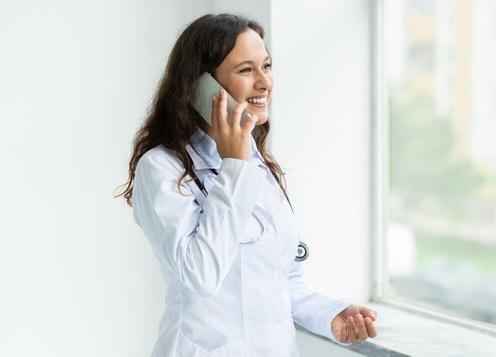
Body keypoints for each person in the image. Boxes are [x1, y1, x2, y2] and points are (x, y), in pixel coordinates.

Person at [116, 13, 378, 357]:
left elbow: (281, 279)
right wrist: (234, 166)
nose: (265, 82)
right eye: (246, 70)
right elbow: (200, 276)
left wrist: (329, 314)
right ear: (200, 87)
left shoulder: (261, 167)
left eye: (266, 66)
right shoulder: (162, 168)